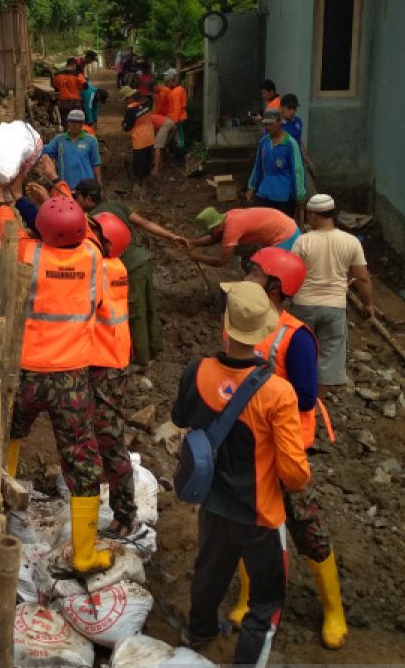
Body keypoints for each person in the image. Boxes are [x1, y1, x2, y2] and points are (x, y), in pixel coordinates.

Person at [172, 281, 311, 668]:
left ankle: (199, 631)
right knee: (266, 605)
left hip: (212, 502)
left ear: (224, 325)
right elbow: (294, 474)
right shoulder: (277, 393)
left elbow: (180, 418)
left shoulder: (196, 371)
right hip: (262, 514)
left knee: (210, 571)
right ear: (263, 332)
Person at [227, 248, 347, 649]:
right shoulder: (238, 318)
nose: (247, 275)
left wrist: (259, 400)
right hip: (247, 444)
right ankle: (248, 597)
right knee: (249, 522)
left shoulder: (295, 338)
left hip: (287, 448)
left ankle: (333, 609)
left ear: (275, 288)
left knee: (305, 524)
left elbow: (306, 398)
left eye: (254, 272)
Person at [6, 195, 111, 574]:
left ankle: (4, 507)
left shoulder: (29, 255)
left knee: (10, 433)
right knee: (81, 457)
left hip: (29, 373)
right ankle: (85, 554)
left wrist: (11, 198)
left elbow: (11, 226)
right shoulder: (94, 258)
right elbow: (98, 307)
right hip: (72, 378)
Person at [73, 178, 180, 367]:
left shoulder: (91, 219)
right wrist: (172, 236)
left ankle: (142, 360)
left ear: (87, 198)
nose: (76, 201)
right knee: (148, 306)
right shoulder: (117, 205)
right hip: (143, 260)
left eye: (78, 197)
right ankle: (155, 347)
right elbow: (145, 223)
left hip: (129, 267)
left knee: (135, 313)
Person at [288, 194, 373, 386]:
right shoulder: (351, 241)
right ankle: (318, 406)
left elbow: (291, 274)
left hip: (304, 305)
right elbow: (363, 277)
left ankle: (300, 399)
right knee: (329, 358)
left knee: (301, 352)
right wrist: (368, 303)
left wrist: (288, 298)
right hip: (334, 307)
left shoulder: (302, 242)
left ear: (312, 216)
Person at [88, 210, 137, 533]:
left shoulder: (101, 270)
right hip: (112, 359)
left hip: (105, 364)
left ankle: (124, 514)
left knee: (109, 437)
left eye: (93, 233)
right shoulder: (115, 264)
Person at [181, 206, 299, 268]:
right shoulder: (226, 218)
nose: (210, 235)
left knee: (267, 273)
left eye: (210, 231)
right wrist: (191, 242)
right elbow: (215, 238)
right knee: (255, 267)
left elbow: (222, 261)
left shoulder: (232, 227)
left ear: (216, 226)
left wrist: (198, 257)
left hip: (286, 235)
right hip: (283, 225)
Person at [246, 108, 306, 218]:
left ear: (279, 122)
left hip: (283, 196)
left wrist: (300, 195)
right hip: (264, 193)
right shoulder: (264, 142)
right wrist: (252, 186)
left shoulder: (290, 144)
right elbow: (258, 165)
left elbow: (297, 170)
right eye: (266, 125)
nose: (268, 128)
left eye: (271, 124)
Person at [42, 110, 103, 191]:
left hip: (86, 188)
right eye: (71, 122)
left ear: (82, 123)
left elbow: (96, 164)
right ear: (68, 123)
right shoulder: (59, 140)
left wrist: (99, 184)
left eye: (77, 122)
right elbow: (43, 150)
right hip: (65, 188)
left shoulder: (91, 140)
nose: (74, 125)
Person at [122, 87, 155, 197]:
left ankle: (141, 185)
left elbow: (127, 127)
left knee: (139, 164)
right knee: (147, 161)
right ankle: (145, 183)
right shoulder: (148, 103)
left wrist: (123, 124)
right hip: (150, 137)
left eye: (125, 100)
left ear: (129, 98)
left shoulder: (130, 110)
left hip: (139, 140)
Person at [280, 93, 314, 179]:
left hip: (297, 165)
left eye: (294, 108)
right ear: (281, 107)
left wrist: (309, 162)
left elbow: (298, 142)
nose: (292, 111)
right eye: (289, 108)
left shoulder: (298, 121)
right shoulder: (274, 125)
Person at [158, 68, 189, 156]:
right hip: (179, 117)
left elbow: (177, 108)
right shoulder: (179, 89)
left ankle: (180, 158)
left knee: (179, 139)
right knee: (180, 137)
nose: (166, 83)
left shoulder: (175, 93)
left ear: (171, 80)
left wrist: (173, 122)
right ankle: (179, 156)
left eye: (167, 81)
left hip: (177, 118)